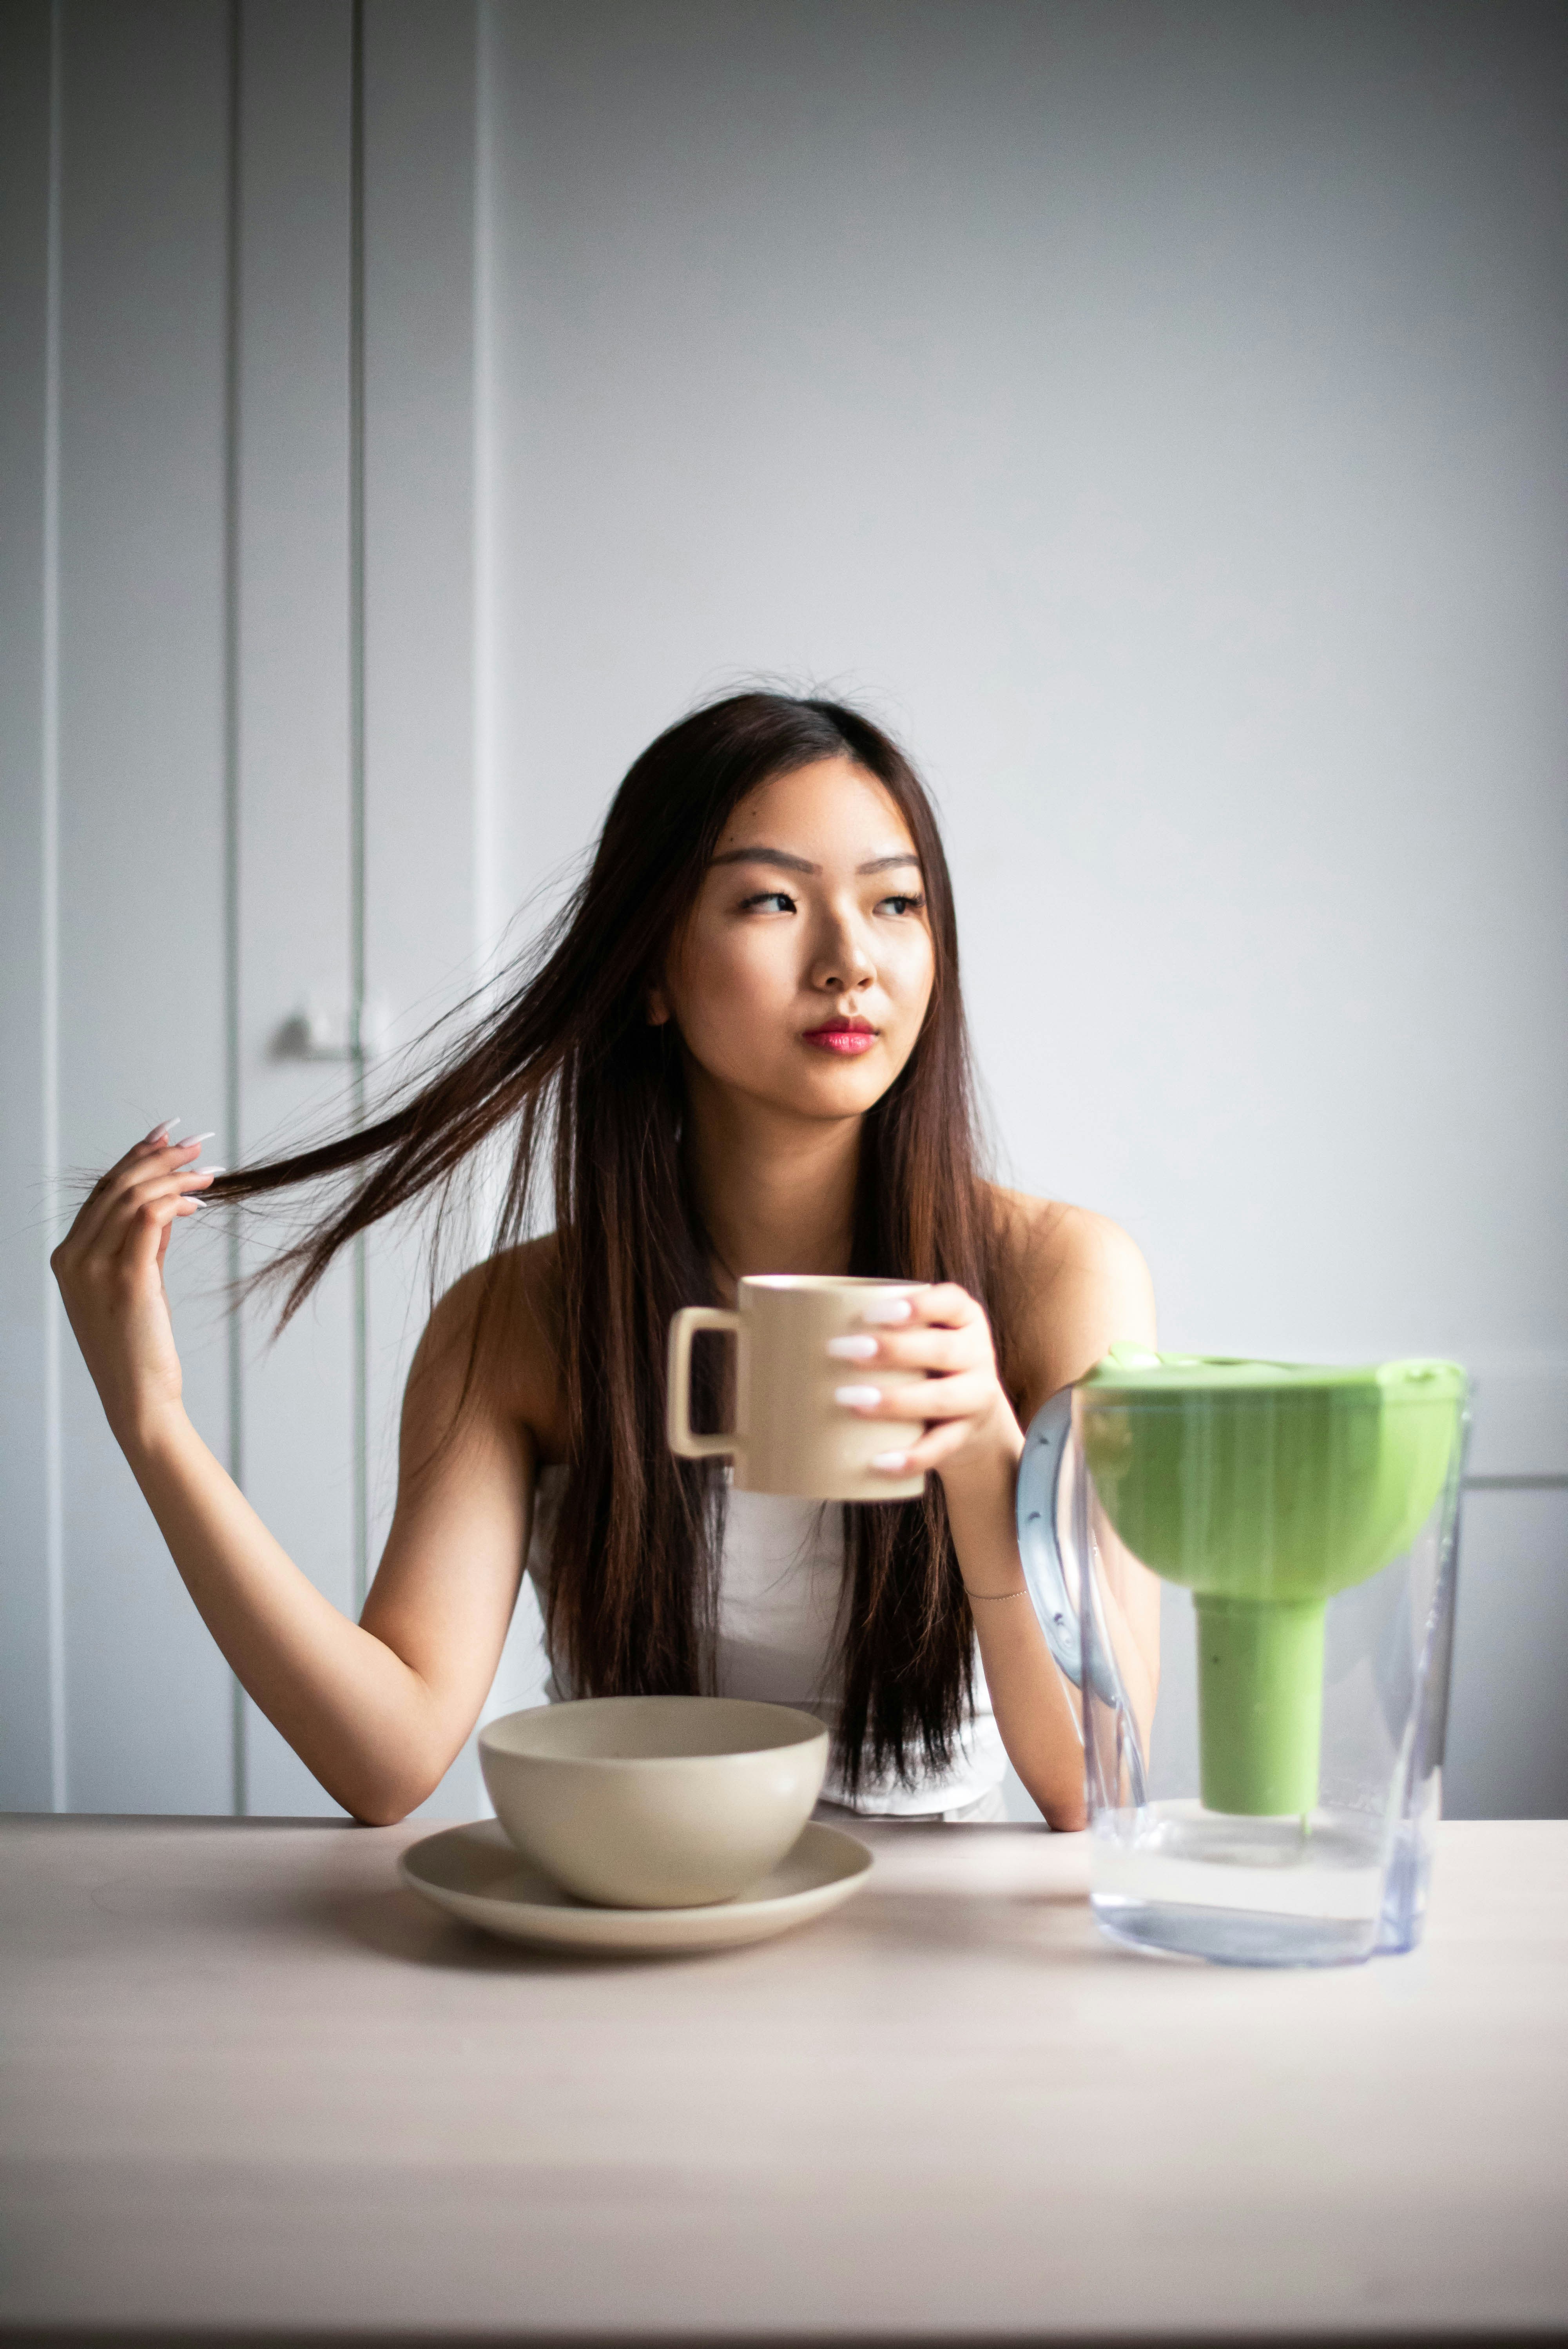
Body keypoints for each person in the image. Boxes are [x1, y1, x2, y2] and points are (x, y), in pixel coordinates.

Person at [51, 692, 1158, 1832]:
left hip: (927, 1962)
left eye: (895, 902)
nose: (850, 960)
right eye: (773, 899)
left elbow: (1092, 1778)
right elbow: (385, 1759)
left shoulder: (1057, 1279)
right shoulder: (517, 1321)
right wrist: (155, 1422)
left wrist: (984, 1457)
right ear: (651, 972)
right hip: (616, 1936)